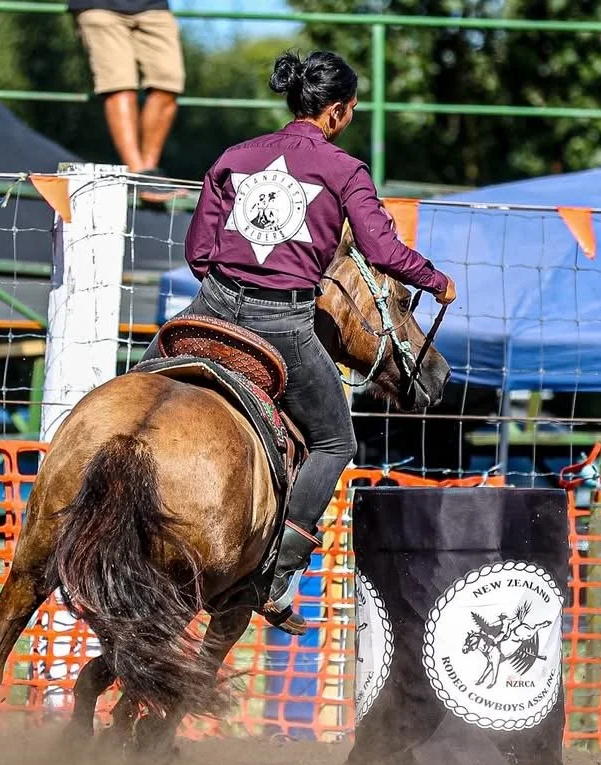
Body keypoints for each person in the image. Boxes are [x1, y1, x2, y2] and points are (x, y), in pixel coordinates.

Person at [146, 49, 458, 635]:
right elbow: (385, 254)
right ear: (338, 112)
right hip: (283, 324)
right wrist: (436, 280)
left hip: (208, 306)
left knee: (134, 394)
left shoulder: (235, 158)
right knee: (337, 441)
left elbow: (198, 253)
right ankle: (277, 574)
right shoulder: (344, 171)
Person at [71, 0, 184, 180]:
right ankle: (138, 174)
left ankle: (148, 173)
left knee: (168, 84)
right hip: (99, 5)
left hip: (154, 7)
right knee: (119, 85)